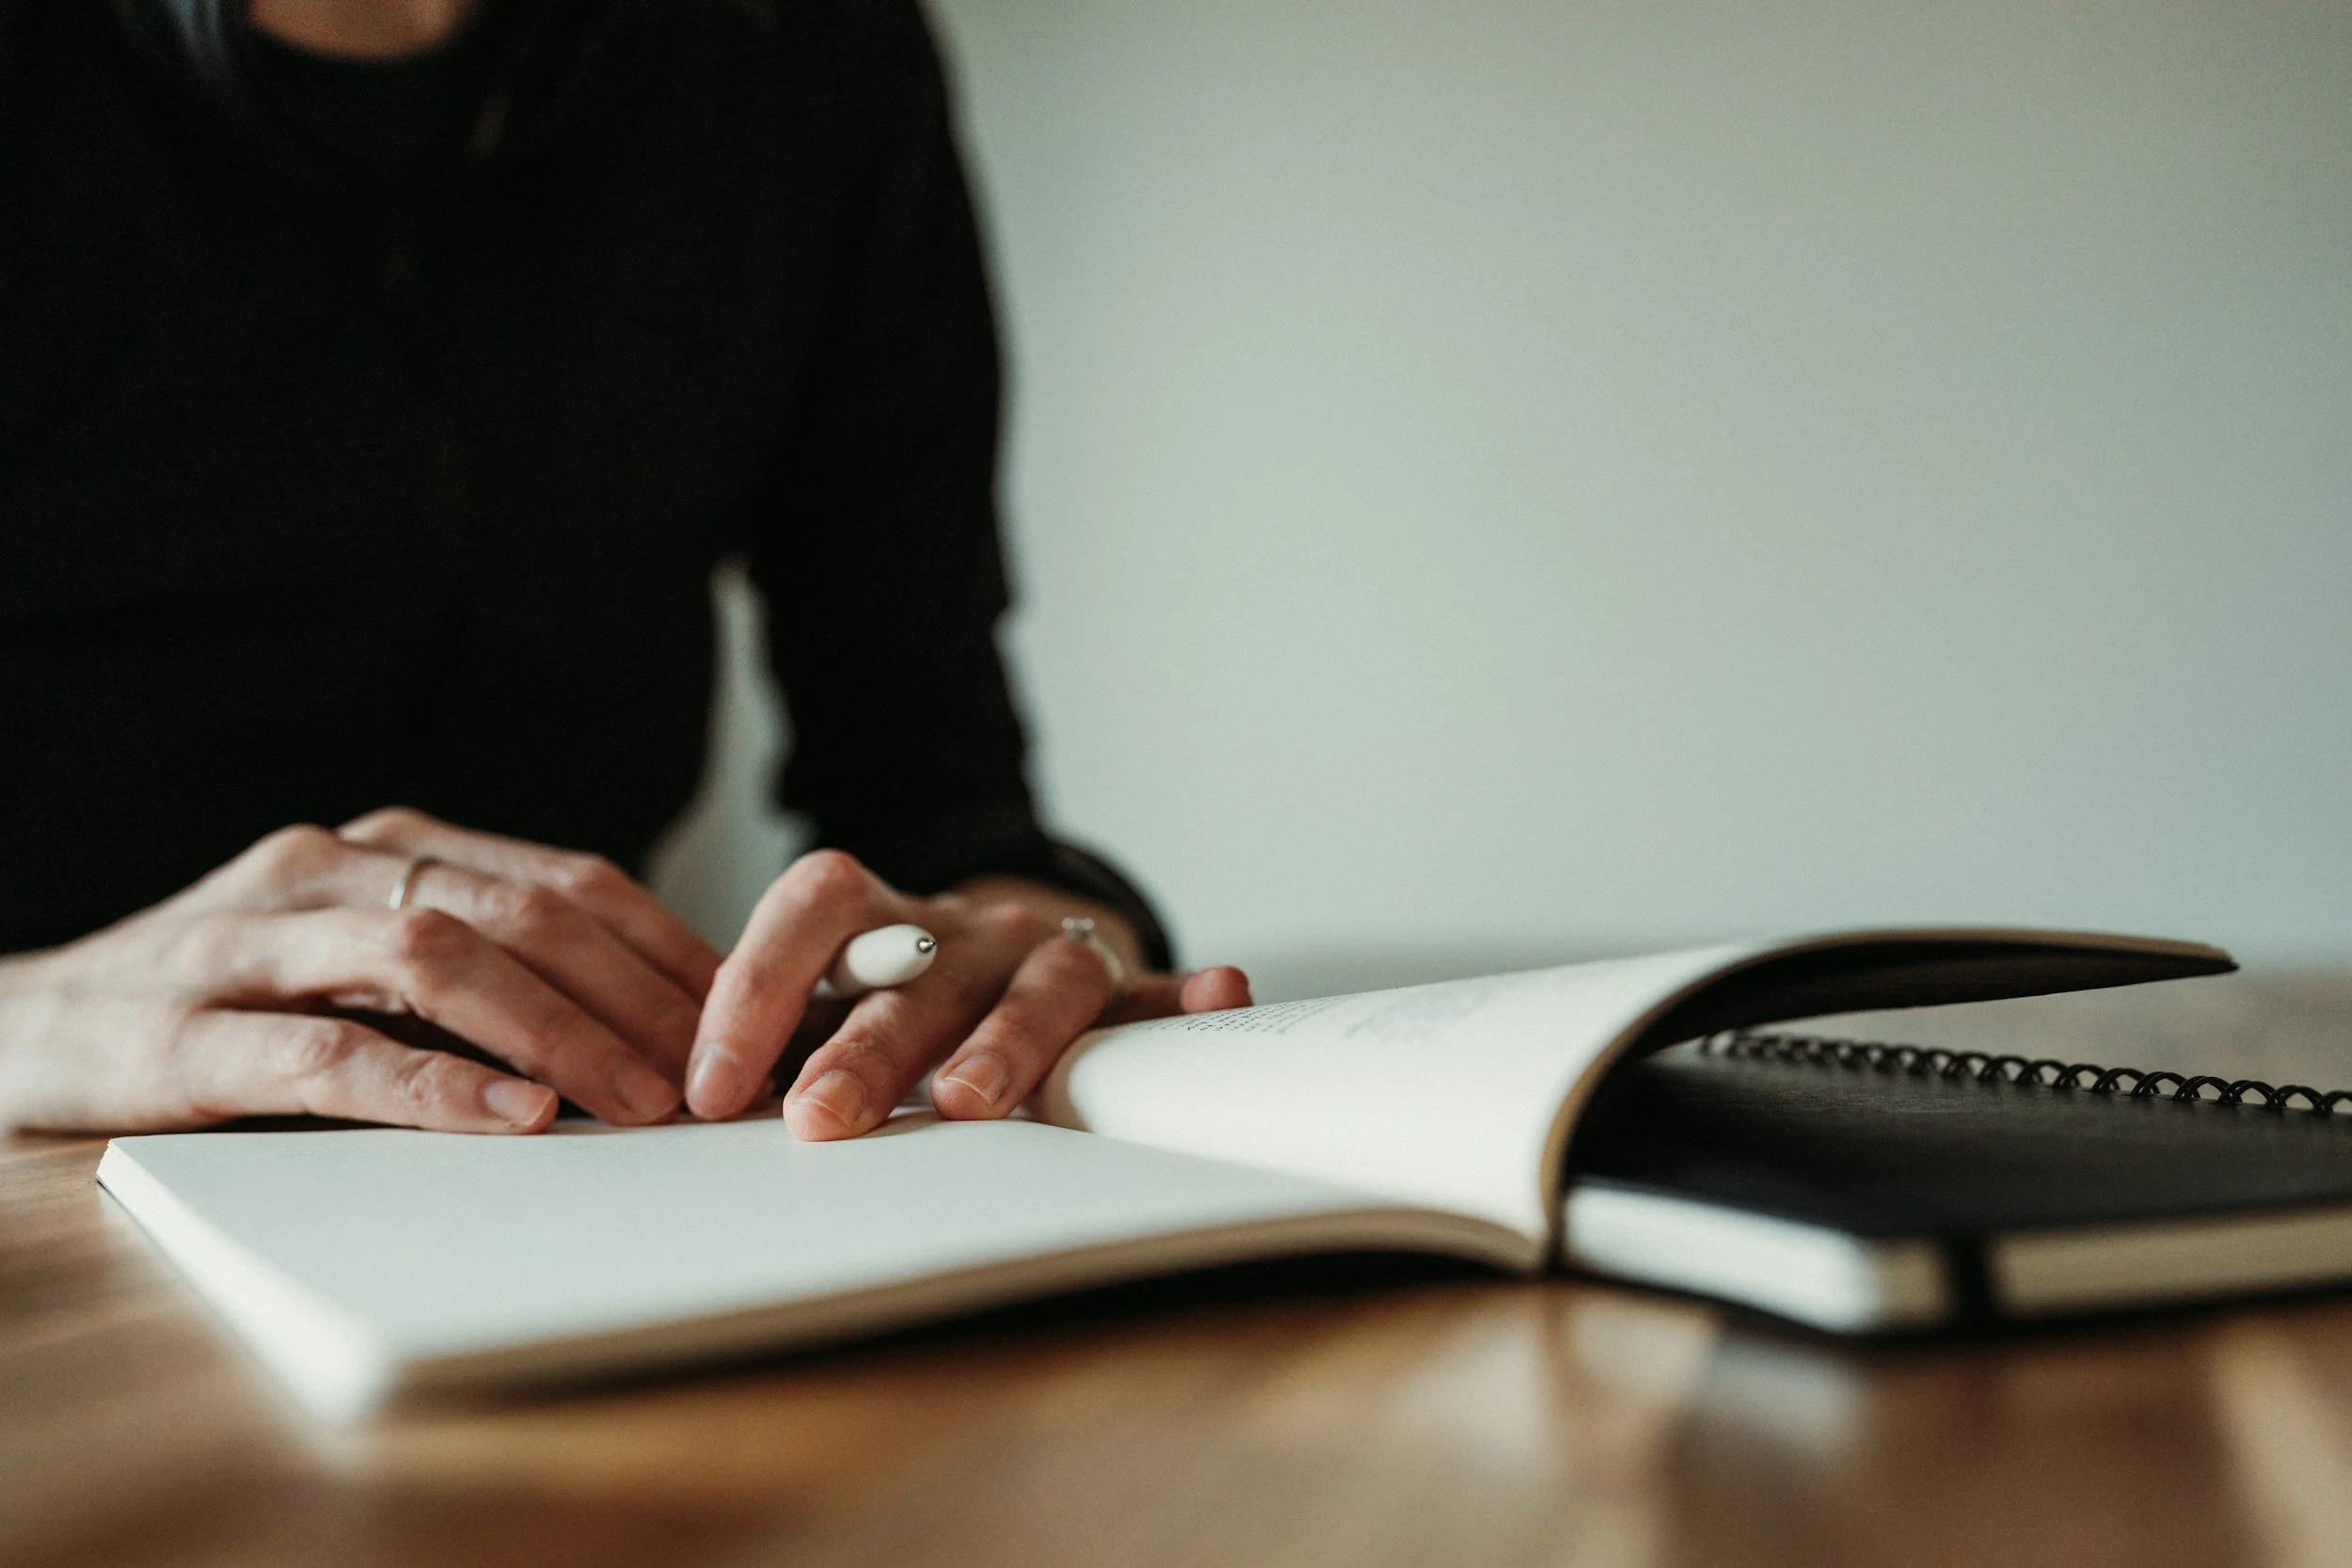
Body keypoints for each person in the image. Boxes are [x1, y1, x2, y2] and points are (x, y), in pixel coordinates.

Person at [0, 0, 1249, 1140]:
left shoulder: (808, 57)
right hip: (54, 1172)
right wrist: (34, 1018)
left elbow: (930, 780)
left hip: (586, 1143)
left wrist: (1030, 930)